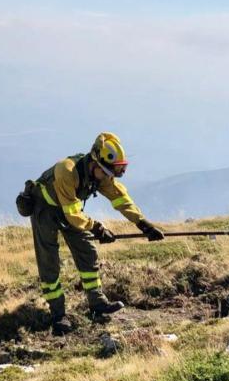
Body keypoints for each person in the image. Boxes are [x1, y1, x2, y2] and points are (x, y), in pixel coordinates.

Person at [29, 132, 164, 335]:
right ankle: (58, 316)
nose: (107, 179)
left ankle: (97, 303)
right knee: (49, 264)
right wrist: (97, 228)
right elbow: (73, 215)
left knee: (87, 253)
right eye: (106, 173)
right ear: (94, 163)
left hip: (69, 210)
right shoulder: (66, 171)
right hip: (45, 210)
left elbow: (120, 199)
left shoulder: (101, 173)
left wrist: (143, 224)